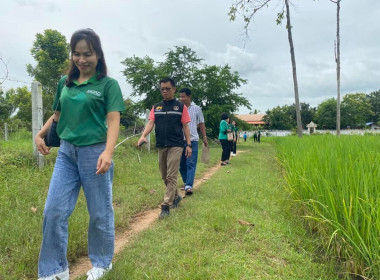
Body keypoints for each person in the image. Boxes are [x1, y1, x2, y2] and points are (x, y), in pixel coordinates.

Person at [34, 29, 126, 280]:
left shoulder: (108, 85)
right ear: (72, 54)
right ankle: (54, 270)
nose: (82, 59)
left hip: (95, 153)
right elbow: (57, 115)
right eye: (77, 53)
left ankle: (102, 263)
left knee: (100, 211)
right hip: (66, 153)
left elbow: (113, 119)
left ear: (98, 55)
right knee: (53, 210)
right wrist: (40, 135)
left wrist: (108, 152)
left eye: (88, 54)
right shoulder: (65, 82)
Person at [137, 77, 192, 218]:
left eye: (168, 88)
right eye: (162, 89)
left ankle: (166, 205)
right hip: (161, 145)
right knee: (164, 175)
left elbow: (186, 126)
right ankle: (176, 196)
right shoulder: (156, 107)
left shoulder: (181, 107)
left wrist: (189, 144)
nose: (165, 91)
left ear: (174, 89)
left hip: (176, 145)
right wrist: (143, 135)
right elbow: (150, 123)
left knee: (171, 175)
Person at [178, 88, 208, 196]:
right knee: (181, 165)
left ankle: (189, 186)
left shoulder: (197, 109)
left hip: (193, 140)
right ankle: (187, 182)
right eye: (180, 96)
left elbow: (201, 123)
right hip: (179, 141)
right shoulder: (178, 108)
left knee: (190, 163)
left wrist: (204, 137)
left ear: (189, 97)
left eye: (183, 96)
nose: (181, 99)